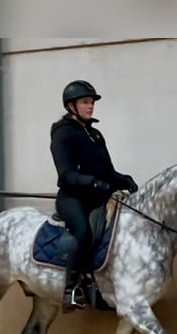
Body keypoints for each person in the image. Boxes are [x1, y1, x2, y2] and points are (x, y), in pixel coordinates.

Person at [49, 79, 139, 312]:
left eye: (92, 102)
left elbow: (106, 171)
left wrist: (124, 180)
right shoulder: (63, 134)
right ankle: (70, 291)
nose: (90, 106)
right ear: (71, 106)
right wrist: (93, 182)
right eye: (85, 102)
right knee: (83, 231)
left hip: (97, 196)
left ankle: (101, 286)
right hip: (73, 198)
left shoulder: (95, 135)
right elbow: (66, 175)